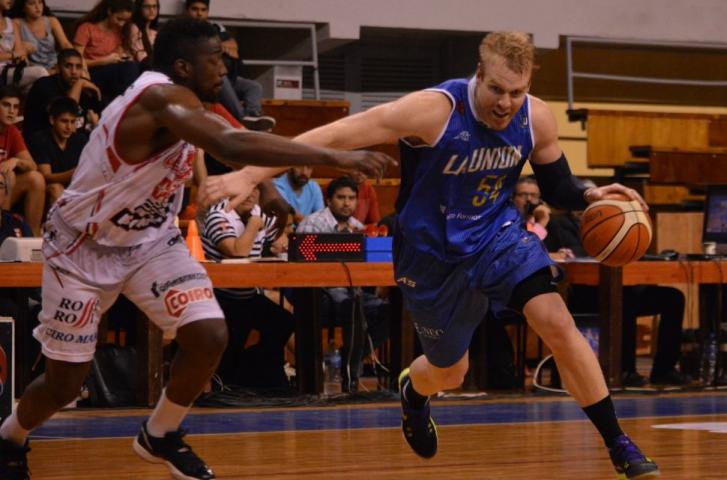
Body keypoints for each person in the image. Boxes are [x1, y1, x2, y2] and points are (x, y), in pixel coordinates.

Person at [203, 31, 659, 478]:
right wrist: (251, 174)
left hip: (496, 237)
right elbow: (335, 133)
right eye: (496, 89)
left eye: (516, 92)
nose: (505, 103)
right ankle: (414, 392)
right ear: (478, 74)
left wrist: (590, 193)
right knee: (450, 371)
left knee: (557, 322)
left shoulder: (534, 117)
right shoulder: (434, 110)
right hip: (431, 253)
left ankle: (618, 442)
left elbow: (557, 184)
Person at [0, 17, 392, 480]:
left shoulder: (193, 100)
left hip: (149, 244)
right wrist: (335, 157)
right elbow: (230, 142)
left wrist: (266, 188)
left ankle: (160, 433)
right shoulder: (158, 98)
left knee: (209, 335)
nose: (225, 68)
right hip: (82, 247)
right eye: (216, 59)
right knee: (65, 384)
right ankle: (10, 436)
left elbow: (232, 137)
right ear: (183, 66)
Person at [543, 198, 688, 387]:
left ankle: (664, 370)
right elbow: (571, 253)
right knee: (623, 301)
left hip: (619, 286)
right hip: (582, 293)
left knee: (673, 298)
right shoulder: (559, 223)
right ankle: (625, 371)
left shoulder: (617, 219)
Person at [297, 176, 390, 392]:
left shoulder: (358, 228)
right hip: (318, 295)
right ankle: (351, 377)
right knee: (352, 305)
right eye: (341, 198)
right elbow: (302, 268)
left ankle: (347, 360)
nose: (347, 203)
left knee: (386, 310)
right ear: (329, 200)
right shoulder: (313, 224)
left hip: (351, 294)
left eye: (351, 198)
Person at [201, 188, 294, 388]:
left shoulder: (258, 212)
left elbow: (281, 242)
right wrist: (253, 224)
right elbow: (237, 252)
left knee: (283, 321)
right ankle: (236, 376)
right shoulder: (218, 215)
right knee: (234, 335)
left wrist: (280, 237)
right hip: (219, 297)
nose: (250, 195)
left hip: (247, 294)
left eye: (255, 190)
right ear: (229, 191)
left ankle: (259, 374)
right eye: (244, 190)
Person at [184, 0, 276, 132]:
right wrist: (221, 47)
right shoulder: (184, 30)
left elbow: (233, 46)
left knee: (254, 87)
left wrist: (223, 46)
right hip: (207, 79)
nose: (199, 14)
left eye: (203, 10)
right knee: (221, 79)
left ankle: (253, 116)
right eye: (195, 9)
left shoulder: (215, 27)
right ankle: (243, 120)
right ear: (187, 11)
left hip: (229, 75)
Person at [23, 48, 102, 140]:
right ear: (58, 68)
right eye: (68, 66)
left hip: (75, 141)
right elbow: (65, 114)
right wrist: (78, 84)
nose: (74, 72)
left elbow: (99, 112)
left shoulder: (84, 86)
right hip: (43, 141)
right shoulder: (43, 86)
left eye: (78, 67)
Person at [73, 0, 140, 107]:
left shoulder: (119, 31)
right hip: (90, 72)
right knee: (129, 68)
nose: (121, 24)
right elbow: (76, 62)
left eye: (125, 21)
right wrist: (103, 61)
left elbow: (118, 55)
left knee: (137, 67)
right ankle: (125, 104)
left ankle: (122, 104)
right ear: (109, 11)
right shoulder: (87, 28)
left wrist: (121, 57)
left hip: (110, 72)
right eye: (119, 19)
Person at [0, 85, 45, 236]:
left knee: (36, 179)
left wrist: (15, 161)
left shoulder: (12, 132)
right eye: (6, 105)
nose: (11, 111)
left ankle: (32, 237)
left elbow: (33, 166)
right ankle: (4, 232)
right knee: (8, 176)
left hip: (3, 187)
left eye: (15, 107)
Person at [27, 96, 88, 206]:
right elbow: (45, 176)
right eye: (64, 121)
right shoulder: (40, 139)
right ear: (52, 120)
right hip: (46, 191)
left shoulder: (80, 140)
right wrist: (73, 173)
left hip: (75, 189)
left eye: (72, 122)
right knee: (55, 188)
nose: (69, 127)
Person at [8, 0, 74, 73]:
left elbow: (65, 44)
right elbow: (20, 52)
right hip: (34, 69)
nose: (37, 7)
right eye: (31, 3)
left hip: (55, 65)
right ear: (23, 7)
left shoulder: (51, 21)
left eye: (40, 2)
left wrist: (74, 60)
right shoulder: (17, 23)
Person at [0, 0, 48, 93]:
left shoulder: (11, 23)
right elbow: (17, 53)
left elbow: (21, 54)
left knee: (33, 86)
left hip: (10, 69)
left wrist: (20, 54)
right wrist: (13, 54)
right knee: (40, 72)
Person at [513, 175, 550, 240]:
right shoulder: (507, 222)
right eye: (523, 194)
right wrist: (541, 223)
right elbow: (525, 243)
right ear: (512, 198)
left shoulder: (550, 220)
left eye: (533, 195)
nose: (529, 199)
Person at [124, 0, 158, 65]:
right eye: (147, 6)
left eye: (154, 6)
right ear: (139, 8)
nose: (152, 10)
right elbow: (140, 57)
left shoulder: (154, 32)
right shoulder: (134, 27)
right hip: (138, 66)